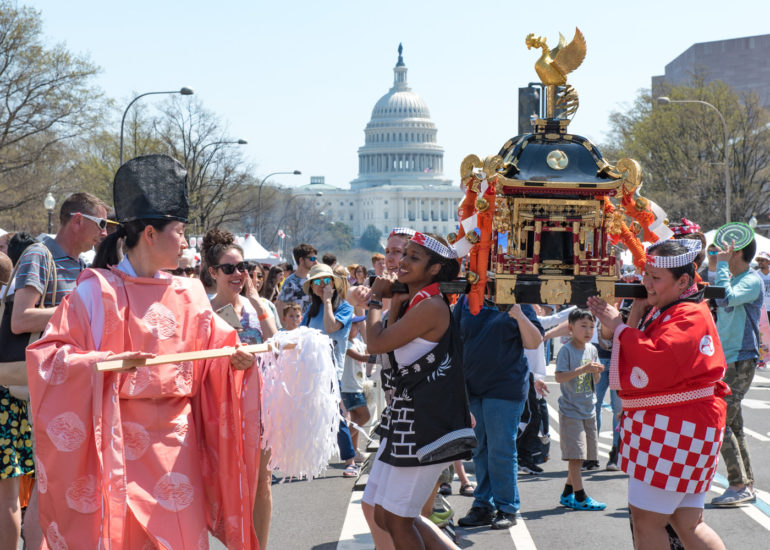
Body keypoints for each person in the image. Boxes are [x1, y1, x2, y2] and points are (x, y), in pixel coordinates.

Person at [25, 155, 262, 548]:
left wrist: (236, 362)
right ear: (149, 234)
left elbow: (218, 353)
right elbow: (48, 357)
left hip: (177, 444)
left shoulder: (189, 294)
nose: (186, 242)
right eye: (180, 231)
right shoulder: (95, 290)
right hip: (116, 444)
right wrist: (103, 363)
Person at [587, 239, 728, 549]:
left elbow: (657, 359)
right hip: (685, 426)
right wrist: (632, 317)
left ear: (683, 281)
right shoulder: (678, 309)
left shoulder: (688, 315)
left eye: (655, 278)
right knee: (687, 523)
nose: (647, 284)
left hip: (676, 429)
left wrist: (619, 326)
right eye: (646, 275)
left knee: (647, 522)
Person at [1, 192, 108, 549]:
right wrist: (75, 309)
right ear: (78, 220)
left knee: (58, 483)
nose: (104, 232)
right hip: (38, 385)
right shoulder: (39, 255)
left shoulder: (81, 265)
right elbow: (20, 319)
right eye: (101, 223)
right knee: (47, 483)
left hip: (66, 386)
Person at [359, 232, 475, 550]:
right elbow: (392, 356)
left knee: (397, 519)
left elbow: (375, 343)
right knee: (384, 515)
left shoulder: (433, 306)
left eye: (414, 257)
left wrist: (373, 299)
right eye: (404, 255)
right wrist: (394, 304)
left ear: (436, 269)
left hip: (425, 423)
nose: (403, 263)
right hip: (409, 418)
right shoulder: (419, 302)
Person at [202, 228, 276, 547]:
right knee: (227, 484)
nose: (239, 274)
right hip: (222, 409)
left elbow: (276, 344)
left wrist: (258, 301)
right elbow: (197, 364)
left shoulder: (256, 307)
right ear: (214, 272)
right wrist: (227, 364)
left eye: (242, 267)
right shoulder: (203, 311)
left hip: (259, 407)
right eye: (230, 268)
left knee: (262, 484)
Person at [454, 296, 543, 530]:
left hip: (505, 386)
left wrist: (519, 314)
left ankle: (507, 507)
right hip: (472, 386)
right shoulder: (466, 297)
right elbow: (453, 338)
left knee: (501, 449)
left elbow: (534, 342)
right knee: (480, 448)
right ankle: (483, 505)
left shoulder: (518, 296)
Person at [710, 235, 762, 507]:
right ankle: (744, 484)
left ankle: (739, 484)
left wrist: (720, 265)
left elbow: (724, 299)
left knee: (720, 422)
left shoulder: (751, 280)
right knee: (734, 425)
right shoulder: (735, 277)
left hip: (741, 358)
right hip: (727, 358)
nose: (721, 253)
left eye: (726, 250)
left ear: (738, 251)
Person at [301, 263, 358, 476]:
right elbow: (302, 335)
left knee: (338, 416)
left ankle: (349, 460)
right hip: (310, 371)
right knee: (309, 416)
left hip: (332, 371)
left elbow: (331, 327)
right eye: (317, 282)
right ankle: (309, 460)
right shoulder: (310, 311)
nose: (321, 285)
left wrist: (327, 301)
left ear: (333, 284)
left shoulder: (344, 307)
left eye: (326, 280)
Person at [554, 309, 606, 511]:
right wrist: (583, 370)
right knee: (576, 456)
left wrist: (597, 371)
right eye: (583, 326)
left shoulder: (592, 349)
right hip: (571, 410)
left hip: (589, 408)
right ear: (570, 328)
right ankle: (580, 496)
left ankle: (567, 493)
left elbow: (595, 380)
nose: (588, 331)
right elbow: (559, 377)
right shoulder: (567, 350)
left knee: (583, 456)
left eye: (592, 327)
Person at [342, 317, 371, 461]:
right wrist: (376, 358)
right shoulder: (344, 344)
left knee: (356, 419)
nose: (356, 327)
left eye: (357, 324)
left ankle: (354, 452)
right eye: (353, 324)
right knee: (365, 416)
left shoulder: (358, 342)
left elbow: (369, 348)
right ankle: (343, 442)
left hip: (357, 386)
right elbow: (360, 356)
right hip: (350, 387)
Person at [276, 243, 317, 316]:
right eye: (312, 259)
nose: (315, 262)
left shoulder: (312, 279)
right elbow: (280, 307)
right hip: (296, 325)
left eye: (315, 258)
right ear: (301, 260)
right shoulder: (290, 282)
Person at [754, 251, 770, 323]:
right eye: (758, 260)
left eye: (762, 260)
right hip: (760, 310)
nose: (760, 262)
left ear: (768, 262)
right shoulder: (755, 275)